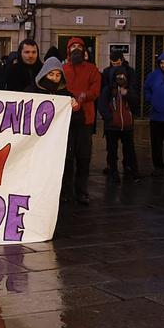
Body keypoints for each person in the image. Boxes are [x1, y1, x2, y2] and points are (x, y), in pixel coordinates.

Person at [62, 37, 100, 205]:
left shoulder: (92, 69)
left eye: (79, 46)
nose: (76, 49)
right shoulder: (63, 69)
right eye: (73, 46)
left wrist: (84, 96)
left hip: (85, 118)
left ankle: (82, 191)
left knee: (83, 157)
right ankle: (66, 191)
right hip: (66, 119)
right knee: (67, 157)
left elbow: (95, 90)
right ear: (69, 50)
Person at [99, 68, 141, 183]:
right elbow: (102, 105)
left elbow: (135, 104)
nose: (120, 78)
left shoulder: (129, 89)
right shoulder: (108, 90)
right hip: (112, 126)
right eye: (118, 76)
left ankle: (133, 171)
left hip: (127, 126)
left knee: (130, 150)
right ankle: (113, 172)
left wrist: (127, 94)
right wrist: (110, 118)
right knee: (112, 151)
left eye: (123, 75)